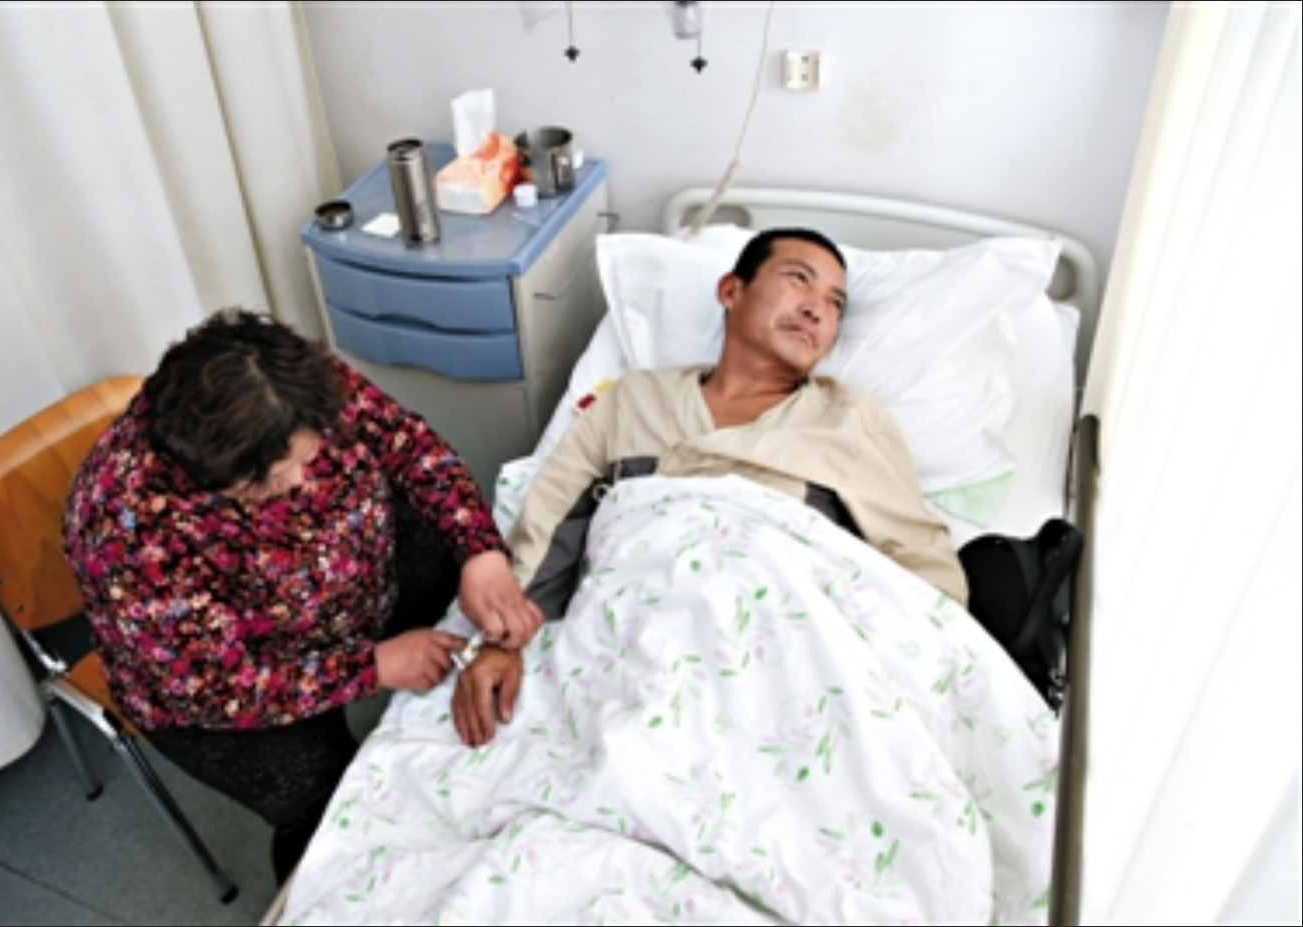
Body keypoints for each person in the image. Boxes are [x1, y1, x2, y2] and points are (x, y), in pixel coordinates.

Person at [61, 307, 542, 884]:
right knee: (324, 798)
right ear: (209, 476)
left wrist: (479, 549)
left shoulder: (284, 384)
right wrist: (371, 668)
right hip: (234, 683)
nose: (301, 482)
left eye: (309, 456)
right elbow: (215, 688)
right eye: (268, 481)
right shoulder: (126, 529)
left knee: (471, 609)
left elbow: (409, 446)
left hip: (354, 581)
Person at [450, 226, 968, 747]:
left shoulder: (847, 420)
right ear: (731, 290)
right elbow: (551, 521)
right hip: (636, 643)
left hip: (785, 664)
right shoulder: (634, 400)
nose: (817, 310)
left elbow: (918, 559)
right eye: (798, 279)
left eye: (836, 303)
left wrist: (918, 675)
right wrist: (502, 642)